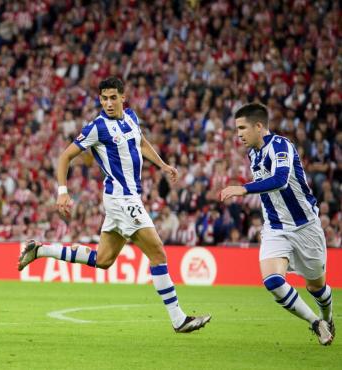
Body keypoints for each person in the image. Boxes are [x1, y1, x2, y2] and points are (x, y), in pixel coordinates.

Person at [18, 77, 211, 333]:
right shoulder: (97, 127)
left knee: (104, 260)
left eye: (112, 97)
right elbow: (65, 157)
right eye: (104, 98)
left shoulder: (131, 117)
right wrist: (62, 192)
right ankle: (178, 319)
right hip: (122, 199)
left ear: (123, 97)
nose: (108, 103)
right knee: (158, 254)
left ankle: (40, 251)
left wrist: (162, 165)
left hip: (126, 198)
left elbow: (141, 143)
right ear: (100, 99)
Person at [220, 103, 334, 345]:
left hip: (305, 227)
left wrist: (243, 189)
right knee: (272, 281)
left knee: (316, 287)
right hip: (275, 228)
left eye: (242, 128)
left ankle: (328, 316)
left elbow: (281, 181)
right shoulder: (253, 153)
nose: (238, 134)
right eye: (236, 128)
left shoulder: (281, 146)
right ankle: (316, 323)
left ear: (259, 126)